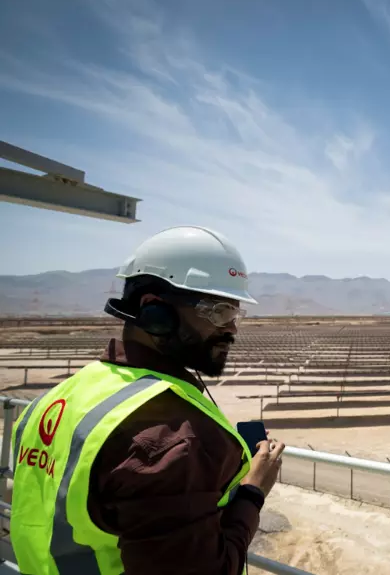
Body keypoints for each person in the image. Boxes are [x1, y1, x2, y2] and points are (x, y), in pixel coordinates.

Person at [9, 226, 285, 575]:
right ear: (154, 312)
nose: (231, 329)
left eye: (235, 314)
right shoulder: (173, 438)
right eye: (218, 311)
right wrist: (252, 494)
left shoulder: (54, 399)